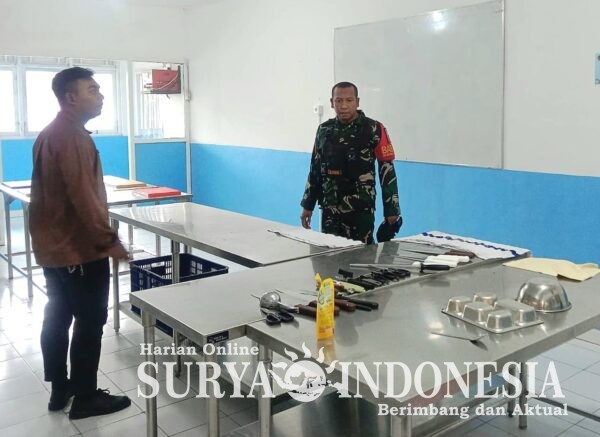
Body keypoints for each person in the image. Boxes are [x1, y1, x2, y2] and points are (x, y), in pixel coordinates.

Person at [29, 67, 131, 419]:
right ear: (71, 97)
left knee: (57, 315)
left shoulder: (50, 132)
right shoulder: (72, 137)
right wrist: (109, 241)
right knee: (89, 321)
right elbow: (84, 198)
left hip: (53, 248)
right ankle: (86, 397)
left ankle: (61, 389)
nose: (101, 95)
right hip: (78, 249)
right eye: (93, 89)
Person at [300, 82, 401, 243]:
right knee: (329, 252)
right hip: (330, 208)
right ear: (332, 102)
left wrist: (392, 210)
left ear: (357, 102)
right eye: (339, 100)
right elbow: (315, 169)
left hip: (361, 210)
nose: (344, 106)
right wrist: (308, 205)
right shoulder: (324, 130)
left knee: (361, 254)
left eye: (349, 100)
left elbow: (387, 171)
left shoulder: (374, 129)